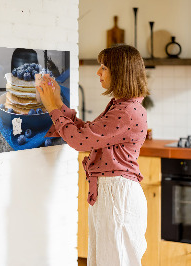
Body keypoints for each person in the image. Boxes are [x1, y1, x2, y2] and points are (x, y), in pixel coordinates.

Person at [37, 44, 149, 266]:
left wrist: (52, 108)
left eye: (104, 67)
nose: (98, 72)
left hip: (117, 196)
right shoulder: (122, 106)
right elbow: (88, 133)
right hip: (112, 193)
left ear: (120, 72)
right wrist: (58, 104)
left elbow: (80, 141)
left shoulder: (126, 111)